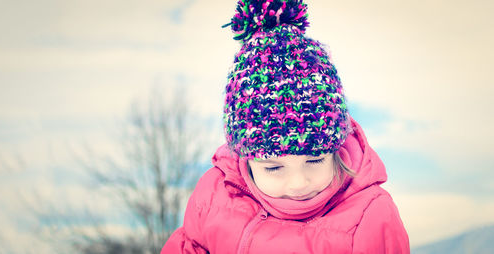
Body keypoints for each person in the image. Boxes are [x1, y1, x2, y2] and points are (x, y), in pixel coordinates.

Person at [161, 0, 410, 253]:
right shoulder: (214, 197)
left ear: (335, 150)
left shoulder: (370, 218)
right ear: (244, 157)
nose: (298, 183)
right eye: (273, 167)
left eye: (314, 161)